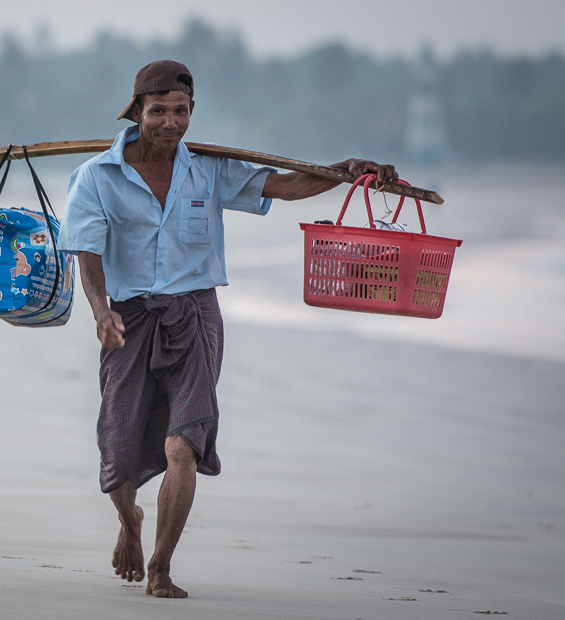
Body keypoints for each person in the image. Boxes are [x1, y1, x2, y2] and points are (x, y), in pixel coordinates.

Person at [56, 60, 397, 599]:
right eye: (159, 112)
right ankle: (130, 522)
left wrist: (343, 170)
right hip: (128, 319)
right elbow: (87, 252)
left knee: (182, 445)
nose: (171, 123)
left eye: (181, 112)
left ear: (193, 112)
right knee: (118, 453)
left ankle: (162, 567)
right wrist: (101, 312)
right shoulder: (97, 177)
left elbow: (281, 186)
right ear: (137, 112)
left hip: (195, 318)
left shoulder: (209, 169)